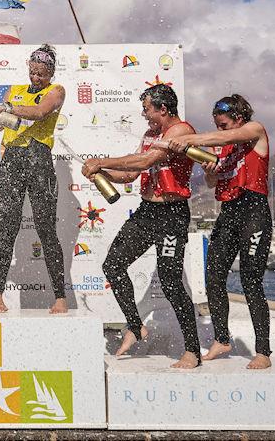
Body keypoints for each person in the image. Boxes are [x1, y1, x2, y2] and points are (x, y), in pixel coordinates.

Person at [82, 84, 202, 369]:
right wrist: (101, 173)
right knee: (113, 265)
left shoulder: (181, 131)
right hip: (148, 212)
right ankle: (136, 327)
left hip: (172, 214)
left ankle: (192, 351)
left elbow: (149, 160)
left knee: (171, 282)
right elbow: (131, 173)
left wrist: (101, 160)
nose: (144, 114)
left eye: (147, 109)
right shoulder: (150, 134)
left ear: (163, 108)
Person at [168, 94, 272, 369]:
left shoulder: (254, 130)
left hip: (254, 213)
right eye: (217, 124)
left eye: (224, 124)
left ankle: (263, 351)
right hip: (229, 213)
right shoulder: (222, 149)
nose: (221, 129)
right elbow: (214, 182)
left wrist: (190, 140)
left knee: (251, 280)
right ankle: (222, 339)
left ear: (238, 118)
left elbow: (226, 138)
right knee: (213, 277)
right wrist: (210, 170)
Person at [0, 44, 68, 314]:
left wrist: (6, 106)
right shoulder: (14, 90)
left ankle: (60, 297)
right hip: (12, 160)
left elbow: (39, 113)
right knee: (8, 228)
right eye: (33, 72)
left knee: (46, 228)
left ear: (51, 72)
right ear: (28, 67)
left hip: (39, 160)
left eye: (42, 74)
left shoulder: (56, 91)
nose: (36, 78)